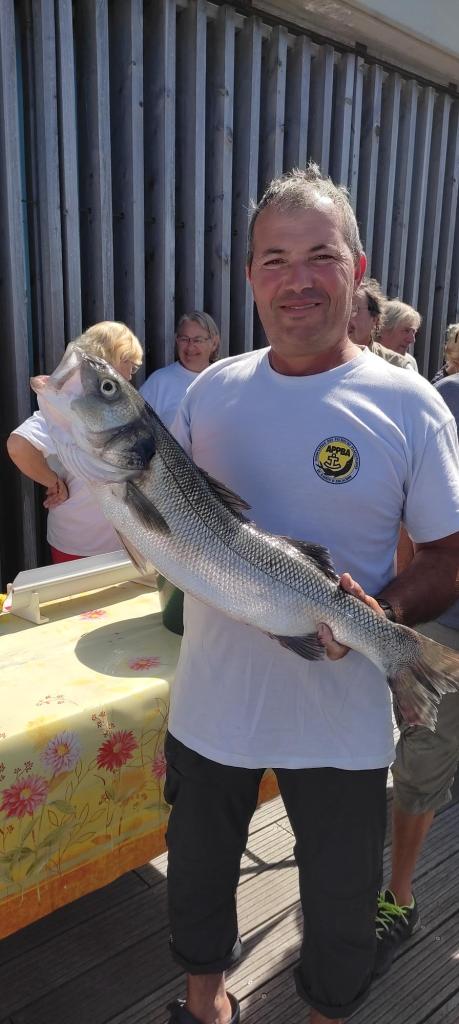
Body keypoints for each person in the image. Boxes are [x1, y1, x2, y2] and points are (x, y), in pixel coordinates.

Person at [164, 165, 459, 1024]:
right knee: (198, 881)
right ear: (249, 276)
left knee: (339, 909)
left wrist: (384, 616)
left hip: (340, 719)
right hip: (211, 706)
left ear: (355, 268)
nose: (296, 279)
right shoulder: (210, 392)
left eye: (319, 256)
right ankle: (205, 1005)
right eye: (274, 259)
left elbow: (449, 550)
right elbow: (164, 524)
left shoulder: (409, 404)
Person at [375, 366, 459, 978]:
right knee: (423, 756)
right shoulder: (445, 398)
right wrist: (403, 605)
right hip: (446, 623)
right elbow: (414, 520)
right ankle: (399, 897)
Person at [7, 321, 143, 563]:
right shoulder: (69, 404)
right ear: (115, 357)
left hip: (120, 542)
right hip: (80, 544)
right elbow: (18, 446)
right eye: (130, 365)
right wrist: (54, 482)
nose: (132, 375)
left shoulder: (107, 406)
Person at [140, 312, 220, 428]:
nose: (190, 347)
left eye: (198, 340)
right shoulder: (159, 382)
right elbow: (136, 429)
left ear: (214, 343)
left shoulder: (225, 380)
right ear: (176, 340)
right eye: (184, 339)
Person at [348, 279, 414, 369]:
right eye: (340, 309)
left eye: (353, 309)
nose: (343, 317)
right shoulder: (327, 361)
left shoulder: (397, 366)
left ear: (375, 319)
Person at [377, 299, 421, 370]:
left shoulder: (410, 363)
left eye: (414, 332)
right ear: (382, 329)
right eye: (406, 330)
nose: (412, 340)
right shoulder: (363, 360)